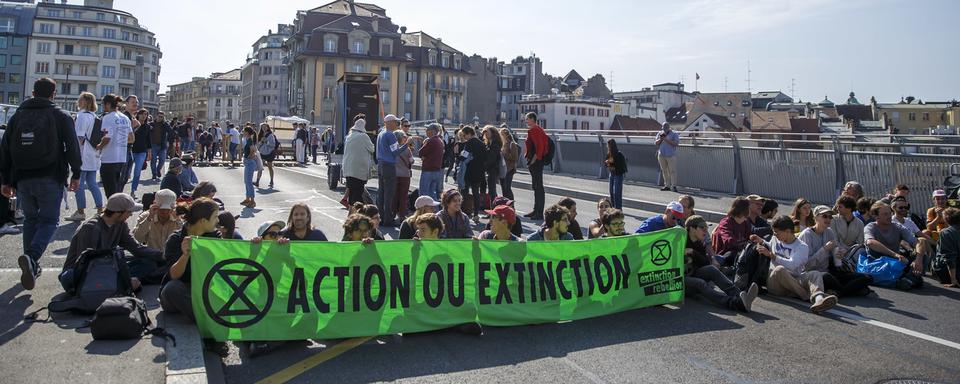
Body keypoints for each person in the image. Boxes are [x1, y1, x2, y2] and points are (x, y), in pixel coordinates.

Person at [0, 78, 82, 290]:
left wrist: (6, 180)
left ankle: (31, 265)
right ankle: (32, 257)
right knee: (49, 221)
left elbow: (5, 149)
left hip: (22, 177)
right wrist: (76, 173)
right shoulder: (60, 115)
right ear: (53, 94)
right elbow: (72, 145)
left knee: (30, 220)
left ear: (33, 92)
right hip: (50, 175)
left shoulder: (18, 115)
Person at [62, 193, 163, 291]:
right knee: (70, 278)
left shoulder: (120, 224)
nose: (131, 214)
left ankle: (118, 284)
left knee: (148, 263)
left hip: (107, 265)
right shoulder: (91, 227)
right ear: (118, 212)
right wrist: (122, 278)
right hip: (81, 272)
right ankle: (120, 285)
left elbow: (136, 248)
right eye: (129, 212)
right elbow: (85, 262)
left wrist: (163, 256)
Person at [751, 215, 838, 313]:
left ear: (788, 231)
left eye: (777, 232)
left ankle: (818, 300)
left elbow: (792, 265)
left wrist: (772, 256)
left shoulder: (802, 247)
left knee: (815, 274)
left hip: (794, 280)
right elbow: (771, 246)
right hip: (776, 283)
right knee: (779, 269)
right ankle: (807, 296)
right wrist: (761, 241)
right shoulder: (775, 239)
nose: (775, 235)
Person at [160, 198, 221, 323]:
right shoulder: (176, 239)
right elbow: (174, 275)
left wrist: (256, 244)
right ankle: (207, 321)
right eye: (215, 217)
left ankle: (205, 315)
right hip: (179, 294)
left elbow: (230, 260)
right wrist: (185, 255)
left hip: (202, 291)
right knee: (172, 288)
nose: (218, 221)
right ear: (203, 221)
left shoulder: (214, 238)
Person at [684, 215, 757, 313]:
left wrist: (693, 252)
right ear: (692, 228)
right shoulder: (680, 241)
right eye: (702, 228)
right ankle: (733, 303)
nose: (706, 231)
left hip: (691, 273)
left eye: (706, 228)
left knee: (711, 269)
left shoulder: (699, 243)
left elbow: (705, 263)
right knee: (700, 283)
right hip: (679, 280)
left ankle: (740, 296)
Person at [800, 205, 873, 297]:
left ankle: (840, 292)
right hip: (814, 275)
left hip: (829, 271)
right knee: (826, 277)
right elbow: (807, 265)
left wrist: (840, 255)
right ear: (816, 217)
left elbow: (835, 257)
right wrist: (824, 249)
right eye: (824, 216)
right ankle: (852, 290)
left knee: (867, 277)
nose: (828, 219)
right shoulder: (807, 235)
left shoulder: (829, 232)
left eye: (830, 217)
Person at [864, 201, 924, 290]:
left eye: (890, 213)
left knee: (920, 255)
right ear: (876, 216)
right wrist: (894, 254)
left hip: (895, 262)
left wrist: (918, 259)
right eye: (885, 214)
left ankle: (907, 279)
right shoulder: (870, 227)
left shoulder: (897, 226)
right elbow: (870, 242)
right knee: (917, 280)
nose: (889, 216)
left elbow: (917, 242)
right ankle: (907, 280)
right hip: (878, 262)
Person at [67, 92, 104, 222]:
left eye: (80, 99)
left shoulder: (81, 116)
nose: (78, 101)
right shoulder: (95, 116)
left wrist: (73, 153)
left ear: (84, 102)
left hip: (83, 153)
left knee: (79, 182)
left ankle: (81, 211)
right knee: (92, 182)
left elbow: (80, 137)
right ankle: (100, 209)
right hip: (93, 153)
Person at [376, 115, 409, 227]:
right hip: (389, 165)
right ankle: (388, 219)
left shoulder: (381, 133)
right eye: (396, 122)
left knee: (381, 192)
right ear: (390, 123)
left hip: (381, 164)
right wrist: (407, 144)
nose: (397, 124)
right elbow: (395, 152)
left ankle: (381, 216)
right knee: (389, 193)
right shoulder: (390, 135)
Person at [97, 94, 133, 197]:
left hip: (109, 158)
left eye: (103, 104)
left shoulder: (107, 117)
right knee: (117, 188)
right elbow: (131, 138)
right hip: (121, 157)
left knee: (110, 190)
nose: (102, 106)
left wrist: (99, 146)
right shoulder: (125, 118)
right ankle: (116, 210)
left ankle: (113, 211)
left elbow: (107, 137)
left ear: (108, 104)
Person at [892, 196, 934, 270]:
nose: (904, 209)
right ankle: (932, 264)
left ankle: (932, 263)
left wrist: (937, 244)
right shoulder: (892, 221)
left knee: (923, 239)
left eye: (906, 207)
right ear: (894, 208)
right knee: (921, 240)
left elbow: (921, 234)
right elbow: (899, 240)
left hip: (913, 243)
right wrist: (910, 249)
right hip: (902, 247)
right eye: (901, 207)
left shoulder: (908, 221)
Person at [712, 197, 753, 265]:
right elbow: (729, 241)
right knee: (733, 254)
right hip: (727, 254)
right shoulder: (726, 223)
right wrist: (744, 249)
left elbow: (750, 236)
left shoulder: (745, 223)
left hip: (741, 253)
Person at [343, 115, 375, 205]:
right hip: (359, 171)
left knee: (352, 194)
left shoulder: (349, 136)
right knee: (358, 196)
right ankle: (357, 216)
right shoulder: (364, 136)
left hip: (348, 170)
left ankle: (351, 215)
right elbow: (372, 149)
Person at [523, 112, 549, 220]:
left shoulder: (535, 130)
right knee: (536, 186)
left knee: (538, 187)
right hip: (536, 161)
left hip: (536, 162)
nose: (526, 121)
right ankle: (536, 210)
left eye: (527, 119)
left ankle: (538, 213)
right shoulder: (537, 129)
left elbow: (539, 147)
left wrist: (533, 160)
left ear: (533, 119)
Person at [460, 126, 487, 222]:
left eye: (464, 135)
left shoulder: (469, 143)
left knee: (465, 192)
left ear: (468, 134)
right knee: (476, 193)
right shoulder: (481, 143)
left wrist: (459, 156)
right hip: (479, 171)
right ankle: (476, 214)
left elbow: (463, 157)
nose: (464, 137)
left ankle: (463, 212)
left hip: (469, 170)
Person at [417, 123, 445, 201]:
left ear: (431, 131)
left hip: (428, 170)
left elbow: (420, 152)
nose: (426, 131)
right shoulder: (440, 141)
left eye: (427, 130)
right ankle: (434, 211)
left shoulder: (431, 141)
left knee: (424, 193)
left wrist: (424, 144)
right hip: (436, 170)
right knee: (432, 194)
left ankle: (424, 211)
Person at [934, 207, 960, 288]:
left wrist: (953, 280)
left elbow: (949, 258)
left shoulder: (945, 233)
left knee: (935, 260)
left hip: (955, 272)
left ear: (946, 219)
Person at [393, 130, 414, 222]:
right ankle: (402, 215)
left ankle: (392, 214)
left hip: (394, 174)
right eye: (404, 137)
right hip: (405, 175)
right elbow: (411, 161)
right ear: (402, 138)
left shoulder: (393, 148)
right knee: (403, 196)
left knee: (394, 195)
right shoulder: (407, 149)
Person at [129, 108, 150, 199]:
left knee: (137, 172)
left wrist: (149, 152)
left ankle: (133, 191)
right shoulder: (133, 124)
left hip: (142, 151)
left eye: (146, 114)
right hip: (131, 150)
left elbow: (148, 140)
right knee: (126, 173)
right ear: (138, 114)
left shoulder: (147, 126)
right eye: (142, 114)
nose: (144, 116)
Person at [655, 122, 680, 192]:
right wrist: (661, 139)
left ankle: (674, 186)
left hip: (671, 155)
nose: (664, 130)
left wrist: (666, 139)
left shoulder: (674, 134)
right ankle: (667, 185)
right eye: (663, 128)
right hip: (661, 155)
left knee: (672, 171)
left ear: (669, 128)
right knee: (664, 171)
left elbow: (676, 143)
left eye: (666, 128)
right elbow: (656, 143)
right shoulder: (660, 133)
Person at [605, 138, 627, 209]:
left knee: (616, 193)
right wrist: (607, 163)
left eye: (608, 145)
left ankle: (618, 209)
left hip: (618, 174)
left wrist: (612, 164)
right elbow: (606, 164)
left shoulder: (618, 154)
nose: (607, 147)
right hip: (612, 174)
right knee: (611, 192)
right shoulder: (609, 154)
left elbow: (619, 166)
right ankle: (613, 208)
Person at [482, 125, 502, 202]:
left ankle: (493, 209)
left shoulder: (495, 143)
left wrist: (484, 167)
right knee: (492, 190)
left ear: (493, 133)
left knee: (492, 191)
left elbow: (492, 158)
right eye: (485, 133)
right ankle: (494, 208)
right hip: (491, 168)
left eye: (487, 132)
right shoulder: (489, 143)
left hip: (494, 169)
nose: (486, 134)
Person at [499, 127, 520, 201]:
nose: (500, 136)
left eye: (501, 135)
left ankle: (511, 204)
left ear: (505, 135)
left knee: (507, 187)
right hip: (503, 168)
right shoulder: (503, 144)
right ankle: (506, 203)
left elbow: (515, 158)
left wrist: (504, 154)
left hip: (510, 169)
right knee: (504, 187)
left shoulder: (512, 144)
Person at [149, 112, 171, 181]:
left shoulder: (164, 124)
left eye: (162, 117)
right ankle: (154, 174)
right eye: (159, 116)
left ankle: (158, 170)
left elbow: (170, 131)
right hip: (153, 145)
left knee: (162, 160)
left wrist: (166, 123)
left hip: (162, 145)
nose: (160, 118)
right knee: (153, 160)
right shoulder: (151, 124)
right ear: (156, 116)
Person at [255, 123, 277, 189]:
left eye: (265, 127)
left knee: (270, 166)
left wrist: (266, 142)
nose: (264, 128)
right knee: (260, 167)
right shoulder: (260, 135)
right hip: (262, 152)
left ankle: (271, 181)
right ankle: (257, 181)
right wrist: (261, 142)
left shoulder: (270, 135)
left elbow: (273, 145)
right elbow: (258, 145)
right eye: (262, 127)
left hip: (269, 153)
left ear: (268, 127)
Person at [241, 126, 258, 208]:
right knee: (246, 181)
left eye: (244, 131)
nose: (243, 132)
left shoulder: (250, 140)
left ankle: (252, 201)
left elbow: (253, 150)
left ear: (247, 132)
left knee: (249, 182)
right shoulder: (248, 139)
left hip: (249, 163)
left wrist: (249, 156)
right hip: (248, 162)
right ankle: (248, 199)